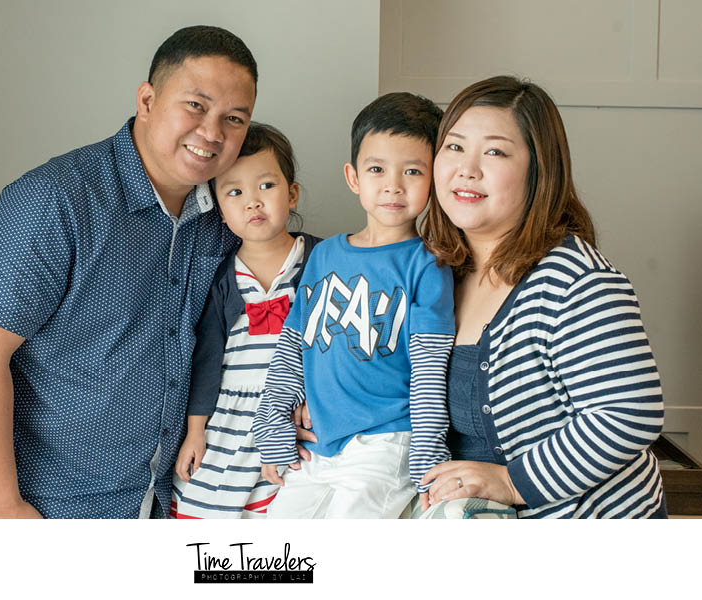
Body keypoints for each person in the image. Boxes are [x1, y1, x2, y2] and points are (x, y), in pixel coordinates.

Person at [0, 26, 258, 519]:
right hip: (51, 508)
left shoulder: (229, 214)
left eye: (234, 118)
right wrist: (5, 505)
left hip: (166, 503)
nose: (212, 133)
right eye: (195, 106)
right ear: (147, 100)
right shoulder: (54, 200)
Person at [419, 75, 666, 518]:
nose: (467, 168)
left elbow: (629, 412)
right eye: (454, 146)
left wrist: (511, 481)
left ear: (539, 171)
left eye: (495, 152)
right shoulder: (437, 272)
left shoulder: (576, 280)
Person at [251, 93, 455, 518]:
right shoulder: (324, 256)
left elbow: (429, 371)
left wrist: (428, 458)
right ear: (353, 177)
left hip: (387, 441)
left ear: (434, 179)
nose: (393, 185)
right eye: (377, 169)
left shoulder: (428, 265)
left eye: (413, 171)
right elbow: (294, 345)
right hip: (320, 443)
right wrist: (271, 420)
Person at [169, 123, 321, 518]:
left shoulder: (322, 261)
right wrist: (195, 431)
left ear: (292, 193)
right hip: (230, 415)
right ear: (220, 210)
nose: (253, 202)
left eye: (266, 186)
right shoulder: (222, 276)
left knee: (290, 505)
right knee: (207, 506)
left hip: (293, 410)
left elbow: (336, 342)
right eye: (235, 192)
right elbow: (206, 359)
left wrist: (315, 396)